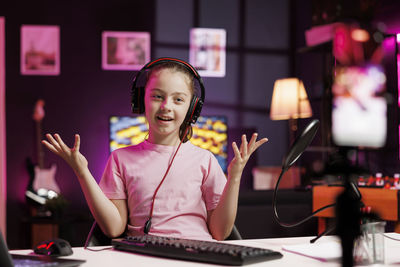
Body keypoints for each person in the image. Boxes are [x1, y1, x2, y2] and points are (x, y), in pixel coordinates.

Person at [42, 58, 268, 241]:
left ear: (192, 110)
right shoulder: (121, 159)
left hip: (198, 255)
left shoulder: (205, 160)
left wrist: (235, 177)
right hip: (143, 256)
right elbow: (113, 228)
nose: (166, 106)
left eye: (178, 99)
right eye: (157, 96)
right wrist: (82, 172)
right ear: (141, 101)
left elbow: (220, 233)